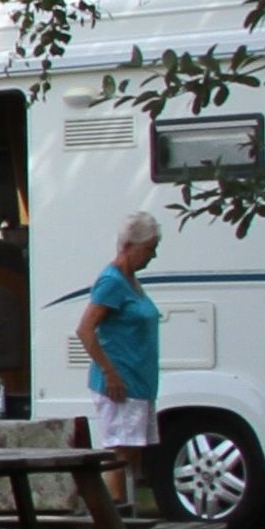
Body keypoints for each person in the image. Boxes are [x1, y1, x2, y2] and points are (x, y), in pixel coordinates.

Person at [75, 210, 165, 511]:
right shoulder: (111, 281)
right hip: (120, 384)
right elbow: (85, 329)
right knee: (119, 455)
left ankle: (125, 517)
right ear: (128, 245)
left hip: (139, 384)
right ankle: (109, 519)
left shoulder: (131, 281)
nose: (153, 255)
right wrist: (110, 372)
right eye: (149, 248)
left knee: (132, 456)